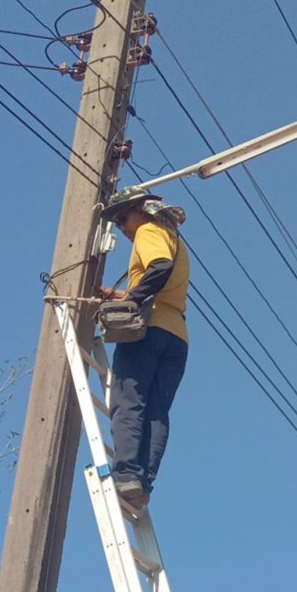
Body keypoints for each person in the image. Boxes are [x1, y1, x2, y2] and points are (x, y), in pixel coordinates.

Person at [98, 189, 190, 508]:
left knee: (128, 400)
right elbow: (160, 283)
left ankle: (126, 474)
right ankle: (143, 481)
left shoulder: (149, 232)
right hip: (176, 335)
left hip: (147, 331)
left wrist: (132, 302)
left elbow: (159, 268)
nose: (122, 227)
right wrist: (115, 295)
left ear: (143, 210)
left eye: (124, 218)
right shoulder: (174, 238)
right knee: (156, 410)